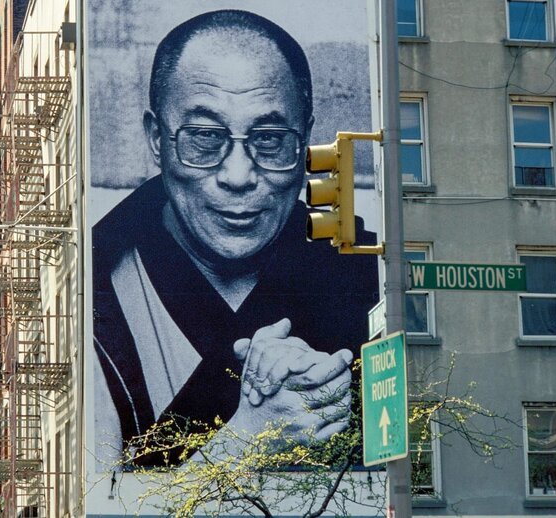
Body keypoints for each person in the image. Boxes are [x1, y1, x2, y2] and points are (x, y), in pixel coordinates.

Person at [92, 9, 378, 466]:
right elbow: (100, 503)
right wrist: (246, 438)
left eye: (269, 139)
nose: (239, 175)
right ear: (156, 139)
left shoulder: (368, 277)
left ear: (304, 141)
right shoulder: (92, 293)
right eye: (205, 137)